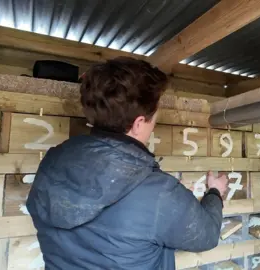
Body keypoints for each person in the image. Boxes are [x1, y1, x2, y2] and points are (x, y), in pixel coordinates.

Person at [26, 57, 229, 270]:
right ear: (139, 123)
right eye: (154, 118)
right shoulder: (158, 192)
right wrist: (214, 191)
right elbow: (206, 236)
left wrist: (167, 204)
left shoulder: (52, 162)